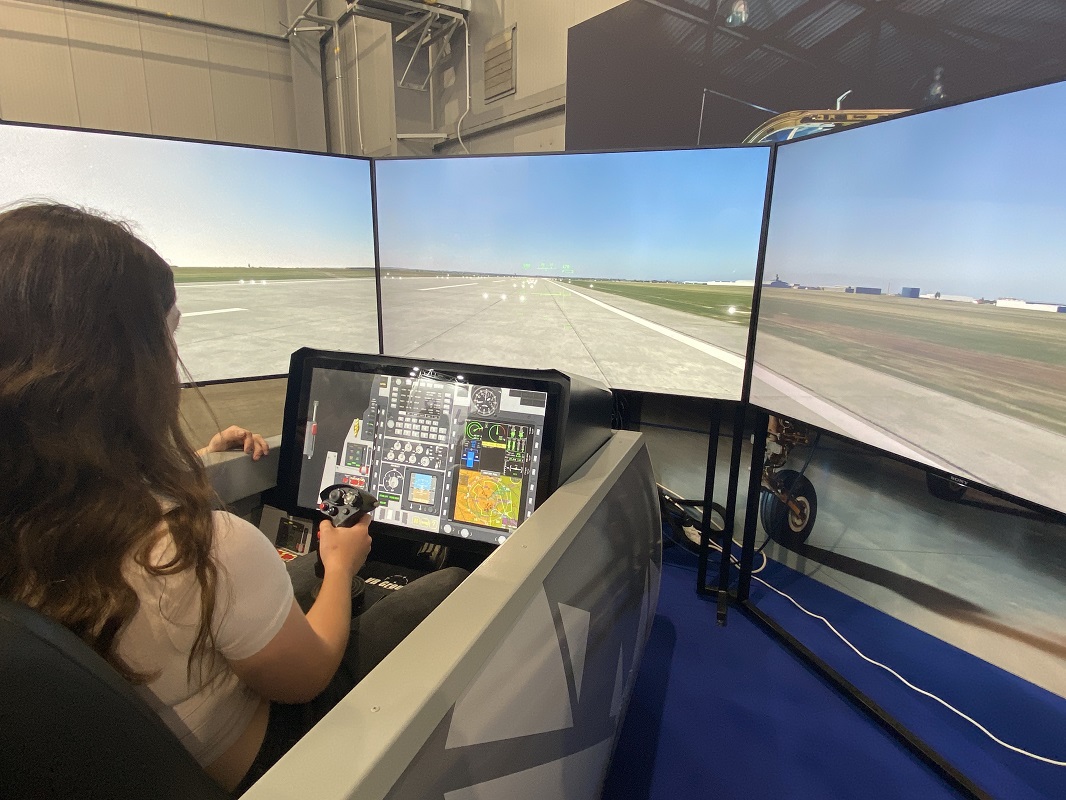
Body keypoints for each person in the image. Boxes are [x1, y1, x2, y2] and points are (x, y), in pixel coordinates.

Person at [0, 203, 466, 794]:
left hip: (147, 754)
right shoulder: (199, 551)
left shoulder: (28, 515)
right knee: (446, 585)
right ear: (126, 371)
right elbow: (308, 678)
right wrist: (342, 567)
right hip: (271, 758)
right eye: (169, 333)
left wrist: (196, 462)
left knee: (301, 575)